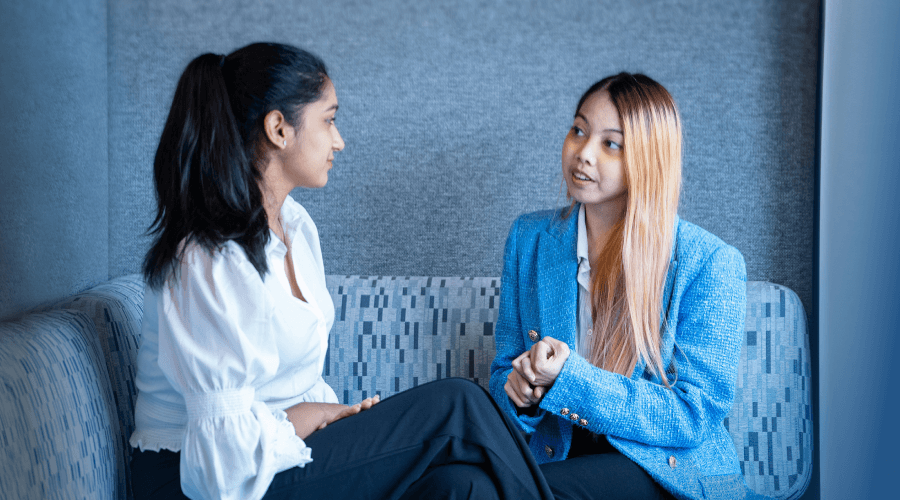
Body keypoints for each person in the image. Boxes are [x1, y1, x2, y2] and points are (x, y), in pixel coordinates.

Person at [129, 42, 553, 500]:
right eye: (328, 120)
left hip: (277, 452)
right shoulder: (210, 258)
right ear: (278, 129)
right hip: (204, 479)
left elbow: (294, 380)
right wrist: (307, 417)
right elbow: (218, 468)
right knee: (459, 404)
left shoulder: (296, 227)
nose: (339, 140)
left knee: (463, 487)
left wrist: (332, 415)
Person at [489, 73, 764, 500]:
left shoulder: (710, 263)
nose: (583, 153)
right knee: (455, 484)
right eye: (579, 130)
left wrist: (570, 380)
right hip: (558, 458)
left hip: (661, 470)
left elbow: (692, 415)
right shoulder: (530, 239)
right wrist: (521, 395)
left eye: (610, 144)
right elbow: (504, 368)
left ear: (648, 158)